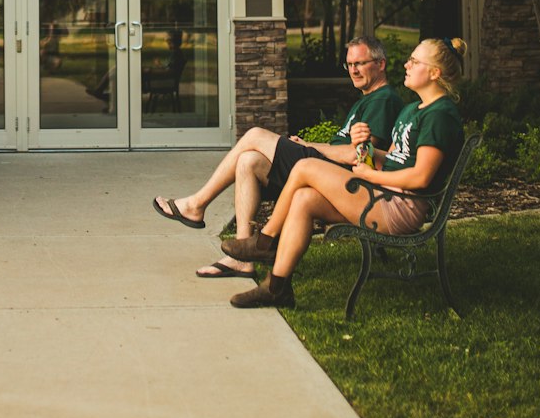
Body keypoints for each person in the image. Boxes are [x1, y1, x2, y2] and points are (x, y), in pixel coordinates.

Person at [221, 37, 467, 309]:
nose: (407, 64)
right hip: (383, 196)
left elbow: (419, 177)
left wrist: (370, 176)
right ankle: (277, 288)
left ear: (435, 73)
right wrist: (363, 147)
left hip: (399, 208)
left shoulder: (439, 116)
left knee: (304, 167)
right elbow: (393, 158)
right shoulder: (413, 110)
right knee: (304, 198)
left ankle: (265, 243)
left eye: (415, 61)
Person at [152, 36, 403, 279]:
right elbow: (348, 146)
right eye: (349, 64)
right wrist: (310, 146)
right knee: (248, 160)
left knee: (254, 135)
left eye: (360, 63)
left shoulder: (384, 99)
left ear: (380, 64)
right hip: (326, 167)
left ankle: (196, 205)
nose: (353, 70)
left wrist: (309, 146)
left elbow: (357, 155)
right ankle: (242, 259)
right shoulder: (367, 99)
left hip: (336, 178)